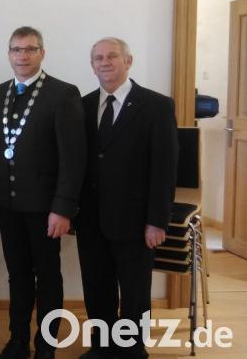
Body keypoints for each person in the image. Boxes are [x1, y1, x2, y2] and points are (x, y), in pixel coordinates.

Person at [76, 37, 178, 359]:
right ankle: (102, 345)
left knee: (134, 291)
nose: (104, 62)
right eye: (98, 58)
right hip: (91, 218)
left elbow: (165, 168)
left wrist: (157, 220)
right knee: (97, 286)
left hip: (136, 221)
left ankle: (132, 348)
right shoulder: (82, 105)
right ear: (92, 65)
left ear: (128, 61)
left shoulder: (157, 106)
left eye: (112, 56)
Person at [0, 27, 86, 359]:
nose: (23, 56)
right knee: (17, 274)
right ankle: (18, 340)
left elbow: (73, 159)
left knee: (47, 276)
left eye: (30, 49)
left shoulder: (63, 93)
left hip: (46, 208)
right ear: (9, 54)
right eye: (16, 50)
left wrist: (63, 208)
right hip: (8, 205)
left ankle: (46, 344)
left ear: (42, 53)